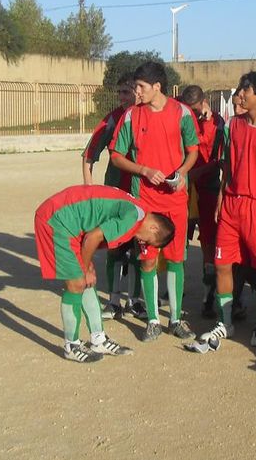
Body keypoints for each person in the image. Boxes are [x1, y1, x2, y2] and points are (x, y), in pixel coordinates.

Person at [109, 62, 200, 340]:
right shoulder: (130, 116)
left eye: (141, 87)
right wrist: (143, 170)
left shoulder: (182, 113)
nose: (136, 91)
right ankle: (151, 319)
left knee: (175, 259)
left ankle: (175, 318)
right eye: (135, 86)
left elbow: (193, 151)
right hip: (145, 201)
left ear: (157, 87)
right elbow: (116, 156)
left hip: (174, 200)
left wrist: (182, 173)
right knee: (147, 260)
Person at [34, 185, 176, 362]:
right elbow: (92, 237)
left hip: (71, 221)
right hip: (57, 220)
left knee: (87, 282)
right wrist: (85, 270)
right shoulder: (132, 219)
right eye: (148, 241)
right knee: (77, 283)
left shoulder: (139, 211)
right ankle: (71, 345)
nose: (143, 242)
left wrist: (88, 267)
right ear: (154, 228)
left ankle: (98, 339)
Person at [198, 72, 256, 349]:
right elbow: (226, 166)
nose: (239, 94)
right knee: (223, 264)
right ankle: (225, 322)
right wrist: (220, 201)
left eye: (244, 90)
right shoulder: (231, 127)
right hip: (231, 205)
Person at [82, 74, 138, 320]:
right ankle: (114, 300)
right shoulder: (112, 119)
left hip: (141, 194)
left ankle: (136, 300)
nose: (123, 97)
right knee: (114, 247)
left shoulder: (149, 117)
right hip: (115, 193)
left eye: (128, 91)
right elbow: (88, 156)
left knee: (139, 248)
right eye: (121, 93)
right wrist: (90, 191)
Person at [179, 85, 226, 317]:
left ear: (205, 102)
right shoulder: (179, 116)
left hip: (206, 188)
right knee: (177, 240)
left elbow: (220, 160)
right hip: (182, 189)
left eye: (197, 110)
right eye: (191, 111)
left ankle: (209, 298)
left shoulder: (218, 124)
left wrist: (198, 173)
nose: (194, 115)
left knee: (209, 243)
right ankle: (173, 289)